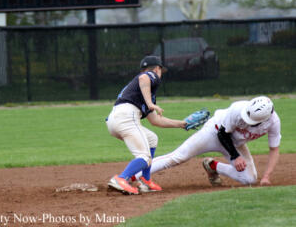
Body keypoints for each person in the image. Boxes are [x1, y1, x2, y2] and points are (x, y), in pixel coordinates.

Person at [134, 96, 281, 186]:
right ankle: (132, 174)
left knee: (249, 179)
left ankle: (212, 166)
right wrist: (235, 156)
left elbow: (274, 149)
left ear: (264, 119)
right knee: (177, 158)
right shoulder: (238, 109)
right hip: (214, 132)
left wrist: (266, 176)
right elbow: (222, 134)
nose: (247, 120)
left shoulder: (273, 123)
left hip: (235, 144)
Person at [106, 55, 187, 195]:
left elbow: (156, 121)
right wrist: (150, 104)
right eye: (161, 70)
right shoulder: (150, 75)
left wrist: (182, 124)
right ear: (157, 69)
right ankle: (121, 178)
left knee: (152, 139)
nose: (160, 74)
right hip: (126, 116)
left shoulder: (144, 91)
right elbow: (144, 77)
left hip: (116, 120)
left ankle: (145, 179)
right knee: (144, 156)